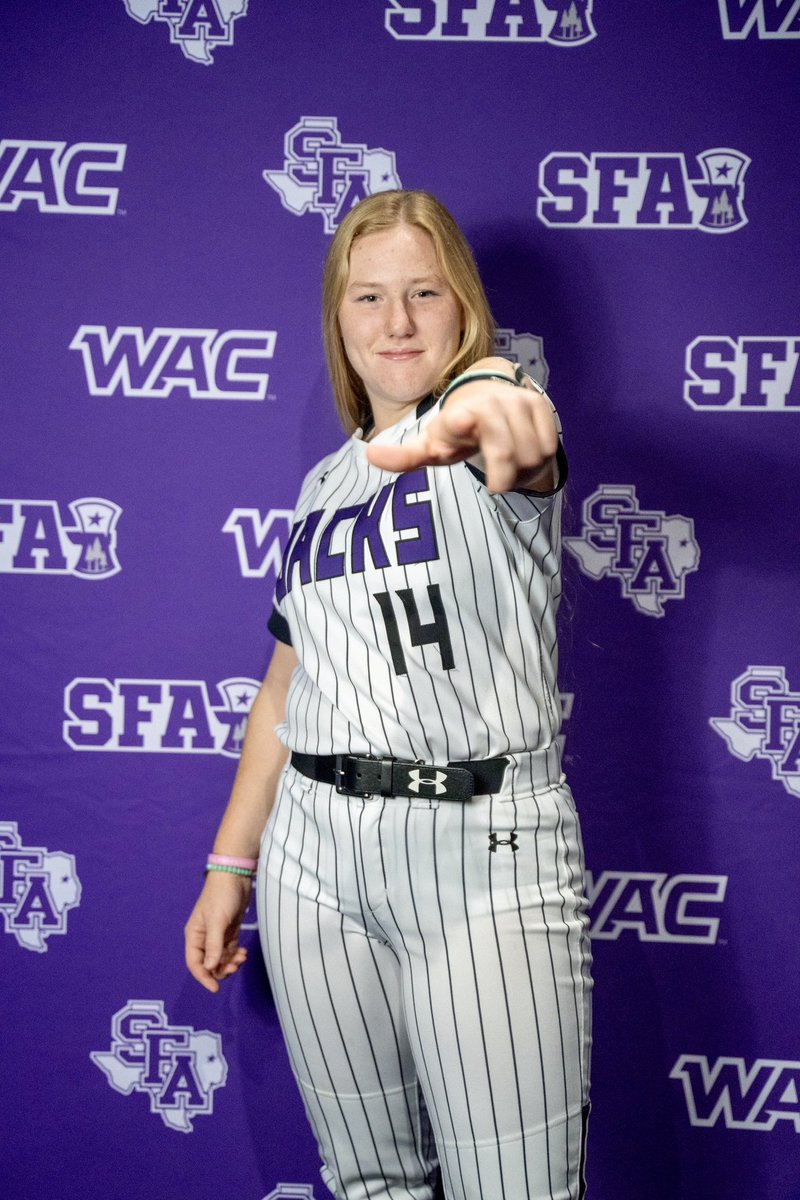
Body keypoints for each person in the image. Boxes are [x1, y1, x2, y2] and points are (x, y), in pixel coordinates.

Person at [185, 189, 592, 1200]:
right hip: (312, 853)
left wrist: (495, 389)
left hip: (480, 850)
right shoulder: (325, 484)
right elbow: (290, 676)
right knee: (368, 1185)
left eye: (424, 291)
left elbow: (513, 423)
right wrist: (230, 861)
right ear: (337, 320)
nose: (397, 322)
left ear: (464, 309)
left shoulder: (481, 441)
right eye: (367, 298)